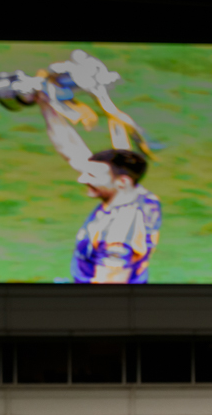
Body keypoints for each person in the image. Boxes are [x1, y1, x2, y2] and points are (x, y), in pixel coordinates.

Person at [36, 93, 161, 284]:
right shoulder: (142, 196)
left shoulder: (117, 237)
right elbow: (71, 150)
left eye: (91, 176)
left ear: (122, 182)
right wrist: (44, 102)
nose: (81, 178)